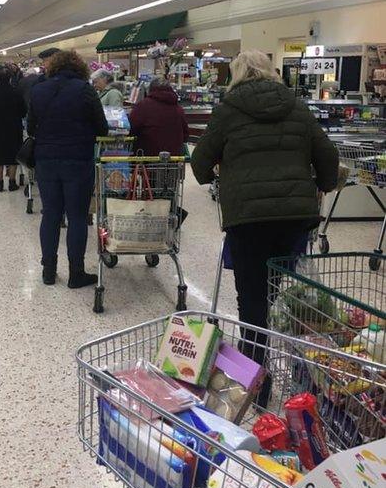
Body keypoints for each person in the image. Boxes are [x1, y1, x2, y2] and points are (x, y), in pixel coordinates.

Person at [191, 49, 339, 408]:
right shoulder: (296, 106)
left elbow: (199, 164)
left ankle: (259, 386)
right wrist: (322, 182)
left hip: (249, 221)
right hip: (294, 220)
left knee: (253, 303)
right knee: (284, 293)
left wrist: (220, 170)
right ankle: (307, 376)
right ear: (272, 72)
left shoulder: (228, 110)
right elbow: (328, 159)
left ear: (236, 75)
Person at [28, 50, 108, 288]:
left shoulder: (38, 90)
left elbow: (31, 126)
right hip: (78, 160)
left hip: (46, 160)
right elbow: (102, 128)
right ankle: (76, 273)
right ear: (79, 68)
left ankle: (49, 271)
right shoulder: (85, 90)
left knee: (51, 214)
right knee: (77, 217)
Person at [0, 68, 27, 192]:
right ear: (10, 78)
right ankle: (12, 182)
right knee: (13, 154)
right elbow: (24, 112)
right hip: (14, 128)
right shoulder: (17, 93)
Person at [129, 78, 189, 156]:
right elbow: (186, 134)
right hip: (173, 158)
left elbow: (131, 128)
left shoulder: (143, 106)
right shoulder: (178, 109)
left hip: (147, 157)